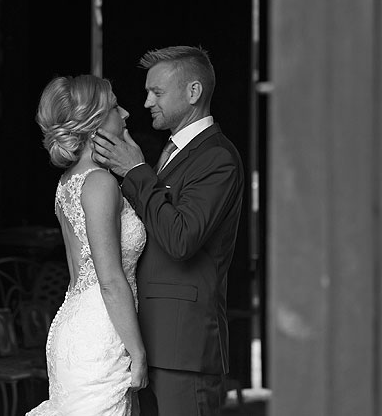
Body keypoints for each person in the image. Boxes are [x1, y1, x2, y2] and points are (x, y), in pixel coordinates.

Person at [91, 46, 245, 416]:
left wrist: (136, 171)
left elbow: (180, 239)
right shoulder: (171, 151)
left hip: (185, 348)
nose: (146, 102)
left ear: (192, 93)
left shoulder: (217, 158)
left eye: (156, 92)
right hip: (149, 339)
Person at [26, 75, 148, 416]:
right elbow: (109, 281)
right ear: (93, 125)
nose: (125, 113)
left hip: (77, 326)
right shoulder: (100, 183)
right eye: (113, 107)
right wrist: (138, 353)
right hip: (101, 334)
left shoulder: (67, 183)